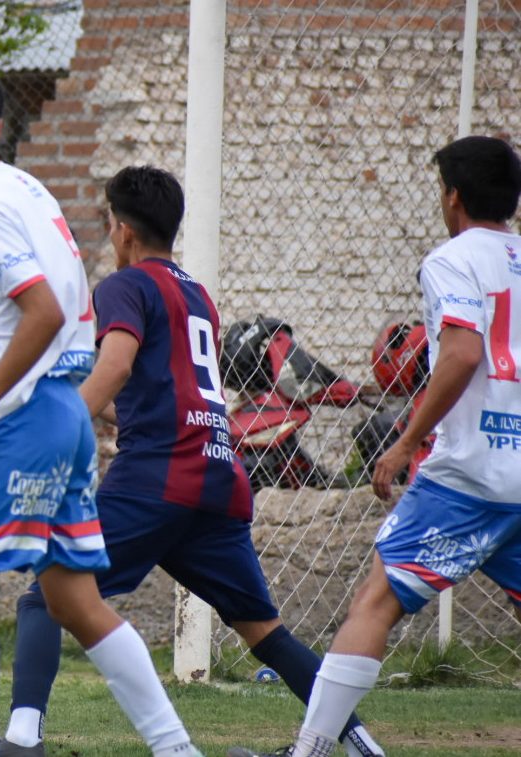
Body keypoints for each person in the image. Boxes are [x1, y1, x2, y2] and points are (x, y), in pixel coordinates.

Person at [0, 167, 382, 757]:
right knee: (263, 630)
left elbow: (119, 365)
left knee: (47, 595)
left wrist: (59, 424)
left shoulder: (123, 285)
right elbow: (156, 392)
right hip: (217, 474)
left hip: (159, 476)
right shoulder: (195, 292)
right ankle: (358, 742)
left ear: (122, 230)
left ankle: (23, 740)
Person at [0, 62, 199, 757]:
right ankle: (176, 749)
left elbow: (40, 310)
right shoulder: (26, 188)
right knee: (75, 599)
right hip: (66, 416)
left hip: (25, 412)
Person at [231, 137, 521, 757]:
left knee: (377, 598)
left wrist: (406, 442)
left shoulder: (452, 259)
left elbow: (465, 353)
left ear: (454, 197)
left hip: (471, 471)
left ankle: (308, 751)